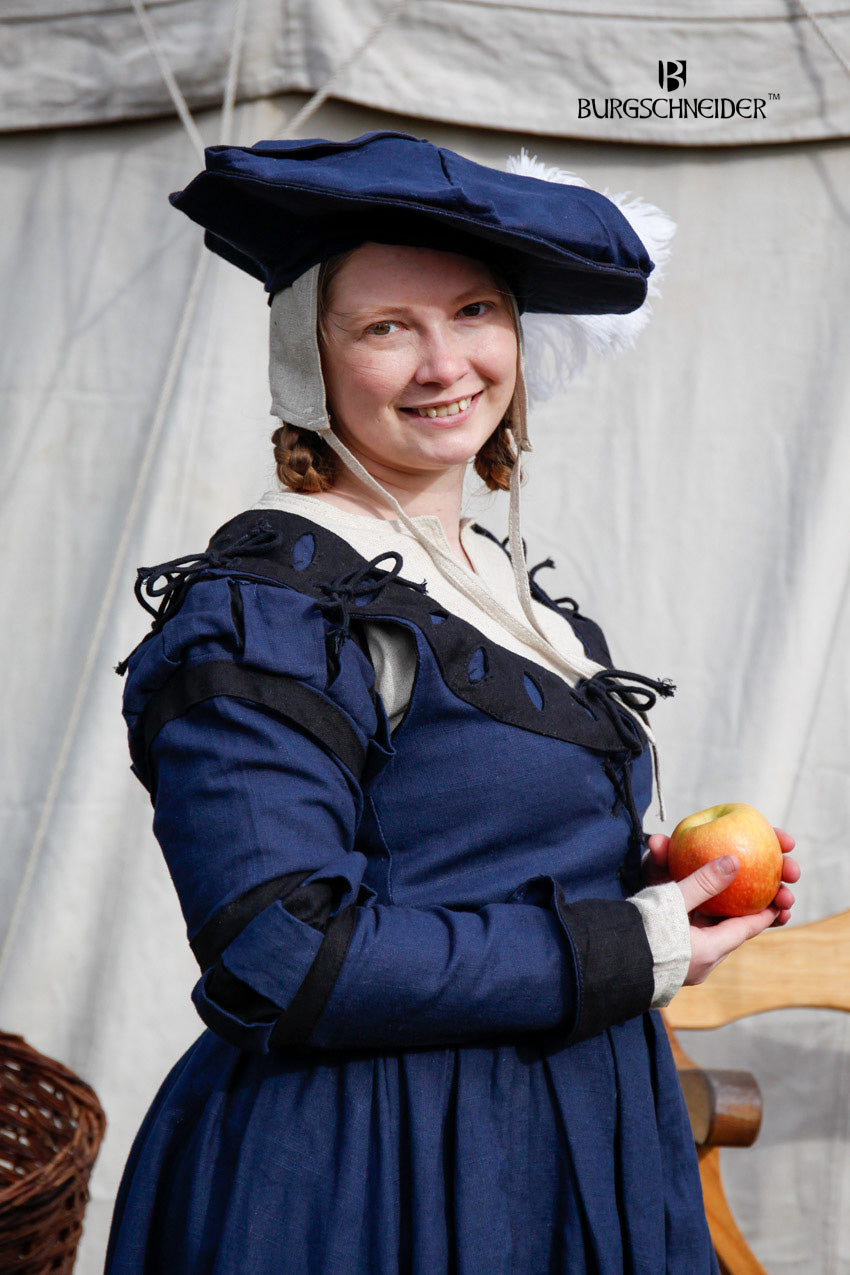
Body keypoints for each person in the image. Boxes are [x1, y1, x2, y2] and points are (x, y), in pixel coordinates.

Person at [106, 132, 798, 1274]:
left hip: (577, 1139)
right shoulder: (267, 609)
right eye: (387, 327)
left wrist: (654, 883)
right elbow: (281, 953)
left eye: (475, 312)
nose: (445, 365)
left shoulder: (520, 602)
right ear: (308, 360)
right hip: (371, 1172)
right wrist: (628, 944)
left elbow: (466, 855)